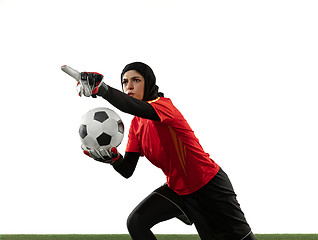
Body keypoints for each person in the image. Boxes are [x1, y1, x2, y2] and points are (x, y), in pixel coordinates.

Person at [76, 62, 257, 240]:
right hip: (178, 190)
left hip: (209, 188)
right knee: (137, 223)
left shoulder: (164, 106)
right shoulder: (136, 125)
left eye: (136, 80)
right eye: (124, 82)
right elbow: (127, 170)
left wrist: (103, 89)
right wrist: (114, 159)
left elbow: (130, 106)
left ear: (148, 82)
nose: (129, 86)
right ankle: (186, 212)